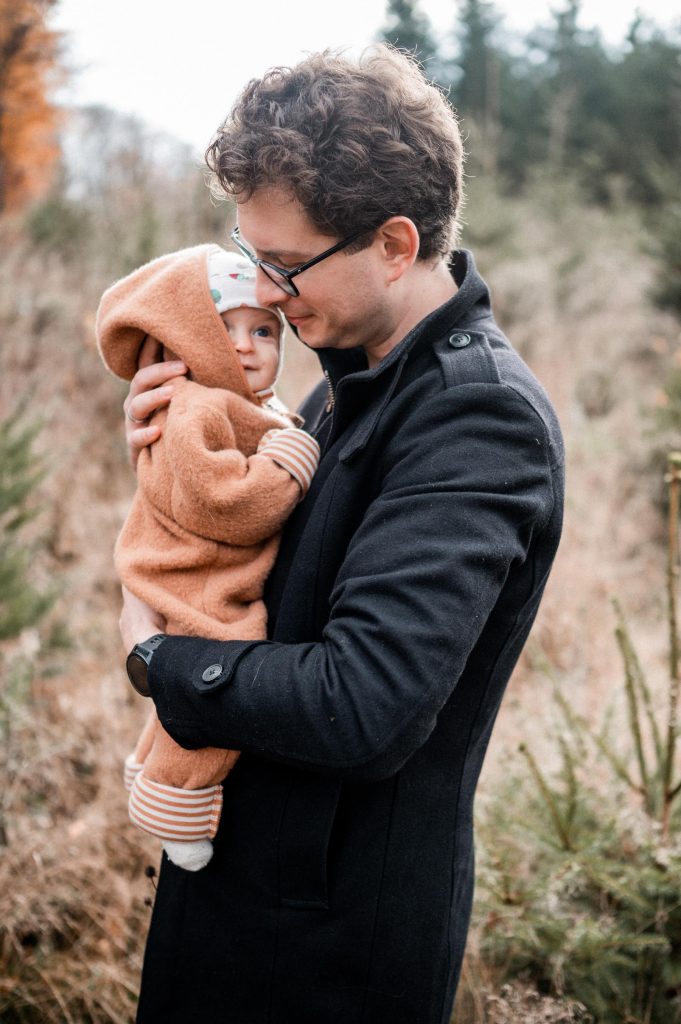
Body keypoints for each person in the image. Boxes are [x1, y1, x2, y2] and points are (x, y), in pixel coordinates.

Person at [119, 46, 564, 1024]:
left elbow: (362, 705)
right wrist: (173, 463)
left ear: (395, 245)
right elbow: (270, 561)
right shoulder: (349, 377)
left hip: (325, 956)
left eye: (284, 266)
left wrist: (160, 660)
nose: (265, 295)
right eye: (250, 263)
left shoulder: (478, 421)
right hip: (243, 904)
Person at [97, 245, 320, 872]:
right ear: (188, 339)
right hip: (192, 576)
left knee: (186, 690)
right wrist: (285, 469)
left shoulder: (250, 404)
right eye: (224, 330)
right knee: (219, 673)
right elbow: (225, 501)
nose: (247, 346)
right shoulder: (196, 405)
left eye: (264, 331)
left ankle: (147, 765)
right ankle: (176, 800)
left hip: (195, 567)